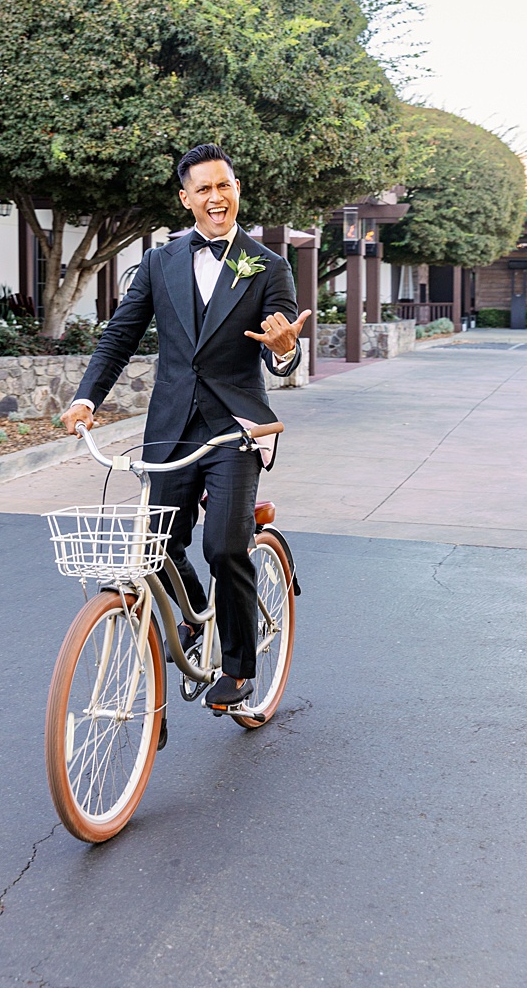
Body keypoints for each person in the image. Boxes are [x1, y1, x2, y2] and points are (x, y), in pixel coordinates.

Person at [62, 143, 309, 710]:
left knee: (224, 546)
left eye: (223, 186)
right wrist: (85, 399)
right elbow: (121, 336)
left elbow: (281, 348)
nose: (215, 198)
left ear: (236, 188)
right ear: (185, 198)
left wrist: (284, 351)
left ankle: (241, 669)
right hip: (171, 424)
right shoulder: (159, 262)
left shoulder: (268, 266)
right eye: (203, 189)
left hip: (235, 427)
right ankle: (197, 620)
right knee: (157, 548)